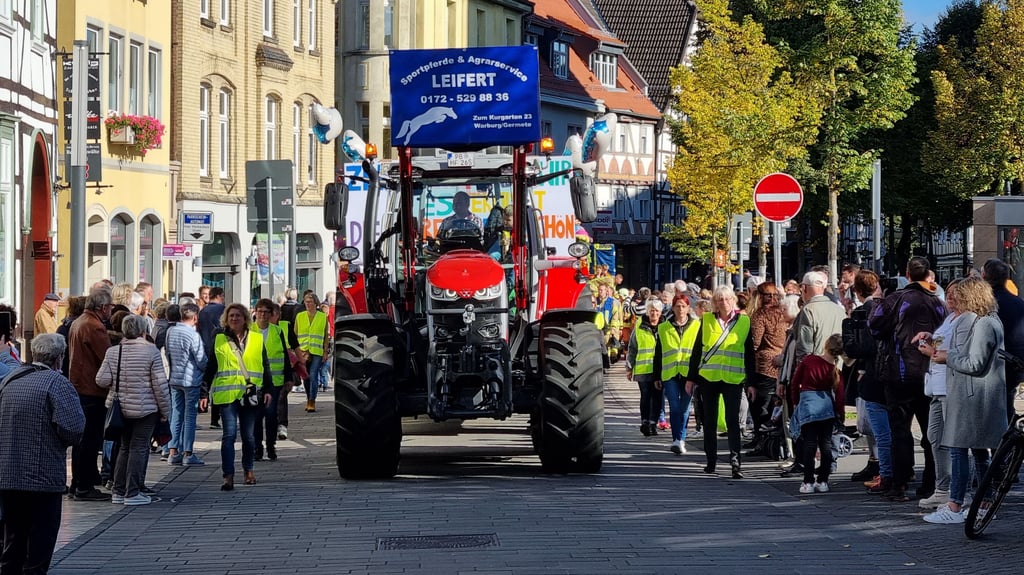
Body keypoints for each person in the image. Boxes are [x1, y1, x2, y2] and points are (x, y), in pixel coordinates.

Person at [919, 276, 1006, 524]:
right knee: (978, 452)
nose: (955, 301)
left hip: (973, 396)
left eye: (960, 296)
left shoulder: (983, 324)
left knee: (960, 448)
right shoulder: (987, 321)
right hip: (978, 395)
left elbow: (975, 363)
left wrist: (948, 357)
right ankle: (983, 503)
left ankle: (955, 505)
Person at [0, 334, 85, 574]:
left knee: (13, 537)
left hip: (8, 474)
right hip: (43, 475)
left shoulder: (10, 379)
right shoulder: (57, 383)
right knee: (41, 539)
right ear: (59, 358)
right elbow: (73, 429)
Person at [869, 256, 947, 501]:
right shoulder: (939, 304)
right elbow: (945, 335)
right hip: (929, 372)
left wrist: (879, 301)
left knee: (900, 431)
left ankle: (900, 483)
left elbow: (874, 327)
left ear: (907, 274)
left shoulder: (896, 299)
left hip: (899, 373)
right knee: (931, 431)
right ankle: (931, 483)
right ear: (929, 275)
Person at [95, 314, 171, 506]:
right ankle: (133, 492)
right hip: (145, 409)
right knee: (138, 447)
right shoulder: (151, 351)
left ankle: (118, 490)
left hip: (120, 408)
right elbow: (160, 385)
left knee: (124, 447)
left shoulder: (113, 352)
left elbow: (101, 380)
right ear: (143, 331)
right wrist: (165, 411)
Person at [685, 285, 755, 479]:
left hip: (733, 378)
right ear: (714, 303)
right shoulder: (706, 320)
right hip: (709, 377)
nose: (724, 302)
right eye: (719, 299)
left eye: (727, 299)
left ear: (733, 300)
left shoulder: (744, 322)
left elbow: (749, 354)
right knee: (710, 421)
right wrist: (691, 378)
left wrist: (751, 382)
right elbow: (697, 351)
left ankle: (735, 462)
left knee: (733, 421)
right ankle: (711, 461)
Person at [202, 303, 272, 490]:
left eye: (238, 316)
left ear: (245, 319)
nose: (234, 319)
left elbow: (265, 365)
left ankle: (248, 470)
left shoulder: (256, 339)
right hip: (227, 395)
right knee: (229, 435)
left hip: (250, 394)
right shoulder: (219, 339)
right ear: (226, 318)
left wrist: (268, 390)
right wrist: (203, 391)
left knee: (248, 436)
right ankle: (228, 475)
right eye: (231, 316)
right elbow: (211, 366)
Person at [911, 279, 961, 510]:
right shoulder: (950, 318)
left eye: (955, 295)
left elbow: (955, 353)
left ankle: (955, 490)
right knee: (934, 437)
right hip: (936, 385)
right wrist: (931, 338)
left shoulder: (965, 321)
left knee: (948, 439)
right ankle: (943, 488)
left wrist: (933, 351)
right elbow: (944, 345)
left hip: (949, 386)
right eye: (948, 294)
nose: (949, 299)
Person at [67, 285, 114, 502]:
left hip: (79, 385)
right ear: (103, 307)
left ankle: (79, 483)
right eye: (110, 306)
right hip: (92, 389)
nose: (111, 310)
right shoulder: (94, 326)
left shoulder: (78, 322)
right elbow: (106, 358)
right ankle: (84, 486)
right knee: (90, 440)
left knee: (82, 441)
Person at [790, 333, 845, 494]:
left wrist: (795, 402)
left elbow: (795, 383)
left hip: (808, 405)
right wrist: (839, 414)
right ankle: (823, 481)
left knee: (809, 444)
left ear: (826, 345)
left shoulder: (809, 361)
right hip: (827, 407)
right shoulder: (835, 370)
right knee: (826, 444)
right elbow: (840, 396)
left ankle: (808, 481)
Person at [655, 293, 699, 453]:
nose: (680, 309)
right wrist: (656, 376)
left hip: (689, 373)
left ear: (688, 308)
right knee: (674, 407)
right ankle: (676, 439)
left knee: (685, 408)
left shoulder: (697, 326)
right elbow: (658, 353)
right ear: (673, 308)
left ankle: (681, 438)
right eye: (677, 306)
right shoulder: (664, 327)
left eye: (683, 306)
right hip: (670, 372)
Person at [982, 258, 1024, 422]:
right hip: (1016, 363)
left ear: (984, 276)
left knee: (992, 413)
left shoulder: (987, 304)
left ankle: (1001, 443)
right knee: (1006, 404)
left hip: (994, 365)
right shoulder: (1018, 302)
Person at [165, 303, 207, 466]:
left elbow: (168, 353)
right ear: (195, 317)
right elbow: (201, 359)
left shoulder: (171, 331)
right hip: (191, 379)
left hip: (175, 378)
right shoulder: (193, 335)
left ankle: (173, 450)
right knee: (190, 416)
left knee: (176, 413)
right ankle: (188, 453)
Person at [252, 298, 292, 461]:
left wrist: (289, 377)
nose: (262, 315)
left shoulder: (277, 331)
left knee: (270, 415)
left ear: (271, 314)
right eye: (259, 311)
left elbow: (285, 354)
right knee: (255, 417)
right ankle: (257, 448)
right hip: (254, 381)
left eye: (266, 312)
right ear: (255, 313)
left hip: (275, 381)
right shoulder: (249, 330)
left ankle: (270, 446)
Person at [748, 282, 788, 441]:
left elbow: (755, 343)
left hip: (764, 366)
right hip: (781, 363)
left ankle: (760, 440)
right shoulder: (782, 313)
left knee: (759, 406)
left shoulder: (760, 315)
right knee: (775, 406)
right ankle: (772, 441)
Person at [626, 296, 664, 437]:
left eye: (657, 311)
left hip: (659, 369)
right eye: (651, 311)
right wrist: (629, 367)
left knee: (657, 397)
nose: (654, 313)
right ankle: (645, 422)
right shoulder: (640, 326)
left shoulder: (665, 326)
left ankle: (654, 422)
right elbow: (632, 347)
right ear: (647, 312)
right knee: (646, 396)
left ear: (660, 312)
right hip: (643, 368)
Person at [295, 292, 329, 412]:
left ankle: (312, 401)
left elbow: (326, 336)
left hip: (316, 350)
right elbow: (295, 334)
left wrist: (325, 351)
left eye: (310, 302)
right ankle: (308, 397)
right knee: (306, 377)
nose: (308, 304)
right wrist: (296, 350)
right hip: (303, 350)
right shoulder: (300, 316)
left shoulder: (322, 316)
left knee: (313, 374)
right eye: (306, 302)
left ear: (315, 303)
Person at [198, 287, 226, 428]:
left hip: (205, 349)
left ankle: (204, 405)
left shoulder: (202, 312)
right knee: (219, 384)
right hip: (220, 348)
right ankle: (216, 417)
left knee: (208, 381)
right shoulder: (223, 310)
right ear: (220, 296)